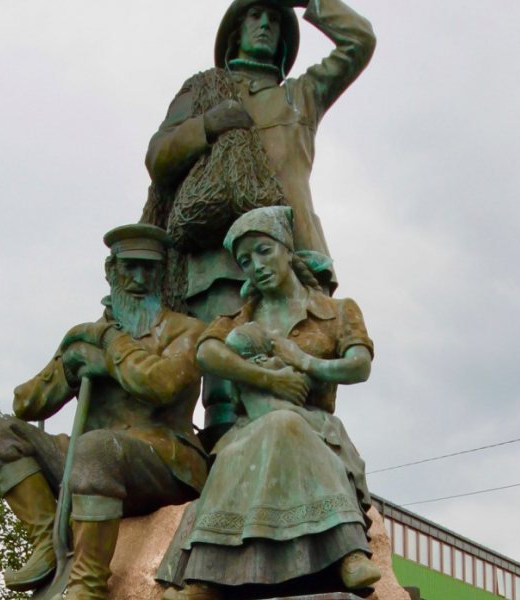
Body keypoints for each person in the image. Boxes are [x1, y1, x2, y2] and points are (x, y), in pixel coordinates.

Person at [141, 0, 376, 446]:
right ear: (236, 30)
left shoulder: (300, 94)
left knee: (304, 372)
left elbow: (359, 40)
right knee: (223, 386)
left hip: (293, 251)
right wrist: (208, 125)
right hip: (217, 251)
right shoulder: (204, 91)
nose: (266, 23)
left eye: (274, 18)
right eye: (255, 15)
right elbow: (157, 156)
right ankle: (224, 473)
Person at [0, 224, 208, 600]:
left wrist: (110, 349)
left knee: (95, 448)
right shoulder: (85, 337)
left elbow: (159, 384)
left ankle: (86, 584)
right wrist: (69, 365)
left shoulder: (188, 332)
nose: (139, 278)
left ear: (162, 274)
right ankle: (46, 540)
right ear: (111, 271)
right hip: (88, 461)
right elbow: (27, 404)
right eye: (129, 267)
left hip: (164, 459)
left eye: (149, 268)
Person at [155, 206, 381, 600]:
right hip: (252, 429)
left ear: (287, 251)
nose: (255, 265)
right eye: (245, 261)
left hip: (315, 426)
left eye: (263, 251)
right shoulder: (243, 317)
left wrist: (304, 361)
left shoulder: (338, 310)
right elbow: (208, 352)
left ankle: (349, 554)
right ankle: (209, 574)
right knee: (263, 433)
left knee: (287, 425)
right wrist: (270, 378)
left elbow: (360, 365)